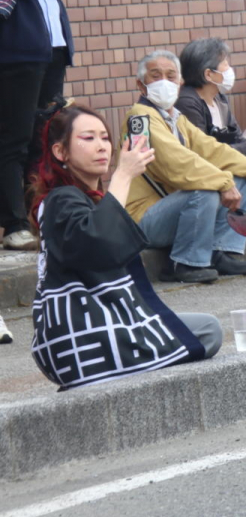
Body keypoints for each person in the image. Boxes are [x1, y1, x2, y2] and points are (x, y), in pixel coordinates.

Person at [29, 103, 222, 389]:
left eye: (105, 138)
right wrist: (123, 175)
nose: (101, 146)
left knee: (205, 328)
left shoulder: (75, 197)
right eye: (88, 138)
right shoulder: (61, 199)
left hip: (92, 327)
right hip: (86, 331)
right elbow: (100, 243)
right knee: (207, 331)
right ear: (61, 153)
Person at [124, 50, 246, 284]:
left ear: (180, 83)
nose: (164, 82)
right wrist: (223, 182)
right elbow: (177, 163)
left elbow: (212, 149)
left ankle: (218, 252)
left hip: (169, 209)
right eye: (155, 76)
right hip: (142, 219)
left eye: (170, 76)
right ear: (141, 86)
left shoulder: (176, 118)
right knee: (204, 189)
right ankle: (183, 263)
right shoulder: (140, 117)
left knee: (240, 178)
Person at [0, 0, 81, 251]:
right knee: (13, 135)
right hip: (17, 47)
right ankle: (13, 222)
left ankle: (41, 217)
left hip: (53, 44)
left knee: (47, 135)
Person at [176, 38, 246, 159]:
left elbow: (237, 139)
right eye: (225, 63)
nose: (230, 69)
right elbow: (203, 152)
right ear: (209, 74)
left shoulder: (220, 99)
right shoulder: (187, 103)